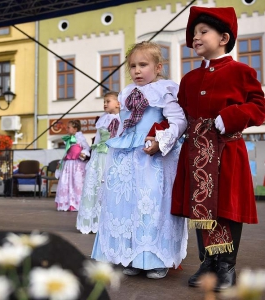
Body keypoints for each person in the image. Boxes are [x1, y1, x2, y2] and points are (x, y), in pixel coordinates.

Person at [171, 6, 265, 292]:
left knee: (224, 207)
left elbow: (260, 106)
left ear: (224, 37)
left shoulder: (242, 71)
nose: (196, 38)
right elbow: (179, 114)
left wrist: (231, 116)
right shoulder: (189, 79)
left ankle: (226, 264)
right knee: (201, 205)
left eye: (203, 32)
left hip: (227, 152)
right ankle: (208, 262)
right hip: (197, 153)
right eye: (194, 34)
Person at [91, 41, 188, 279]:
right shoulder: (126, 93)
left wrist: (162, 141)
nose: (136, 70)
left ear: (158, 67)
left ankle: (155, 258)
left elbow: (180, 122)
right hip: (126, 158)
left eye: (143, 65)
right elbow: (125, 122)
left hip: (151, 159)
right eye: (132, 66)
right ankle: (131, 255)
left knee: (152, 205)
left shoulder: (166, 90)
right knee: (127, 205)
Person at [76, 92, 120, 234]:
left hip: (112, 156)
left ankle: (109, 222)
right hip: (99, 157)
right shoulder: (102, 119)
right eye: (104, 101)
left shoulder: (123, 119)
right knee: (94, 187)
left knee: (109, 188)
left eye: (108, 101)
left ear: (118, 103)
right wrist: (90, 156)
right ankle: (91, 221)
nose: (105, 104)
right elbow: (96, 141)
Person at [55, 120, 90, 211]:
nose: (67, 129)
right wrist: (61, 162)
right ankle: (67, 203)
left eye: (68, 127)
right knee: (66, 183)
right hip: (68, 164)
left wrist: (84, 153)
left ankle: (76, 203)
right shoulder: (69, 139)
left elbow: (87, 148)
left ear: (75, 129)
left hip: (77, 165)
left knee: (76, 183)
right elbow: (67, 152)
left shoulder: (80, 138)